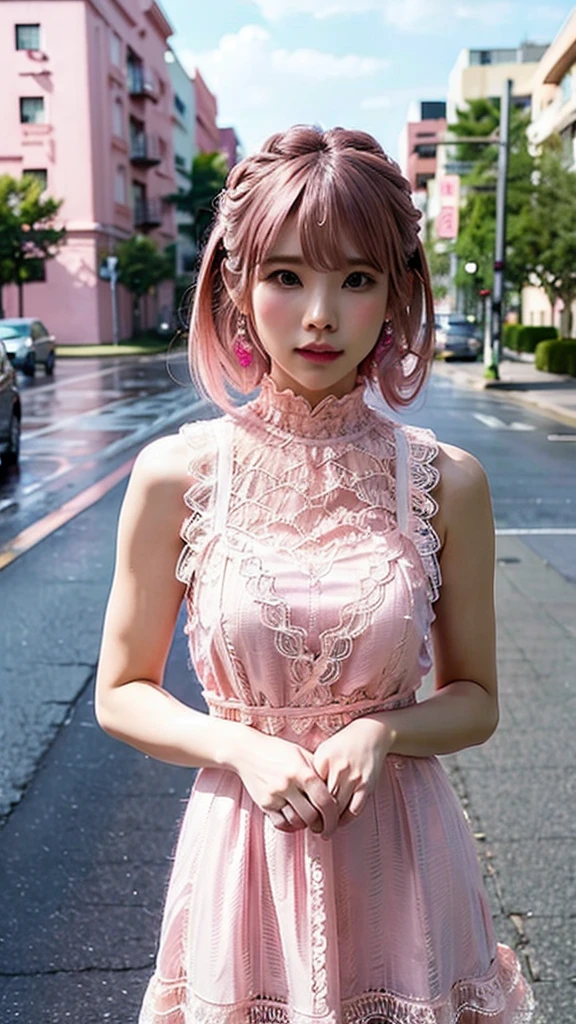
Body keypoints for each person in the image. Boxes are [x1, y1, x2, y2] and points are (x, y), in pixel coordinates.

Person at [95, 125, 535, 1023]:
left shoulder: (445, 481)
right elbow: (121, 691)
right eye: (287, 275)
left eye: (357, 278)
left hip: (404, 857)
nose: (321, 315)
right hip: (242, 853)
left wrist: (383, 731)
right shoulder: (179, 473)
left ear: (398, 292)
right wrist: (240, 745)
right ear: (236, 284)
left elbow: (477, 698)